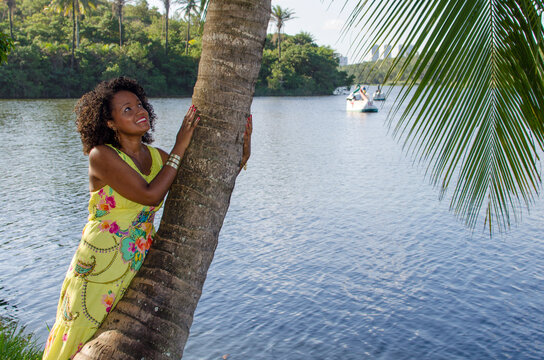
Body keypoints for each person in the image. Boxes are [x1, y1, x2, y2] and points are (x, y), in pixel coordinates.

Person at [42, 77, 252, 359]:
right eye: (127, 110)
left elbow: (205, 187)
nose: (139, 111)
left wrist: (242, 148)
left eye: (139, 105)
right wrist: (180, 145)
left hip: (136, 261)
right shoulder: (101, 155)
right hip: (98, 263)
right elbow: (150, 195)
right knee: (79, 337)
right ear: (109, 122)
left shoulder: (157, 158)